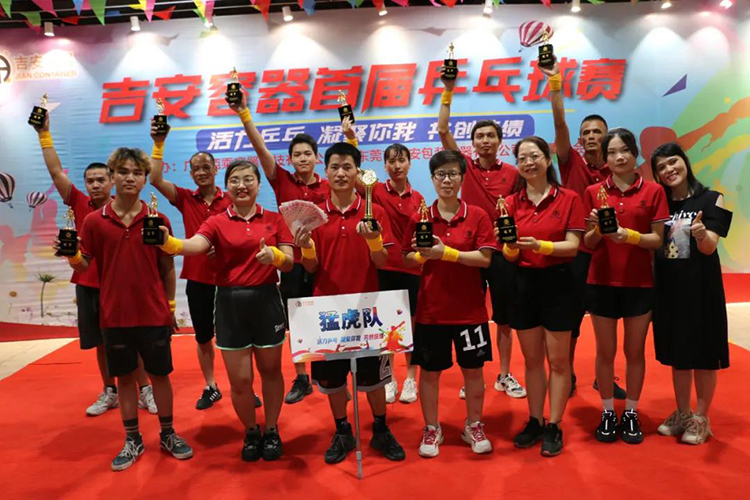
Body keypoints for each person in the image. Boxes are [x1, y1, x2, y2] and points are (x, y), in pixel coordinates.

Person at [60, 145, 192, 471]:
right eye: (123, 172)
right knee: (125, 380)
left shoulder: (158, 220)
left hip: (153, 314)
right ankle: (133, 439)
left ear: (145, 179)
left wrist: (170, 306)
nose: (130, 178)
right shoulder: (95, 221)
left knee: (160, 377)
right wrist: (72, 255)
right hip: (114, 315)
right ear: (113, 177)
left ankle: (168, 433)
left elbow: (167, 267)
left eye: (137, 173)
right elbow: (84, 264)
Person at [157, 159, 293, 460]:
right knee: (240, 380)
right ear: (227, 185)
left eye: (248, 179)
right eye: (235, 180)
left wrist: (275, 257)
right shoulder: (217, 221)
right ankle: (251, 431)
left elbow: (290, 261)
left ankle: (271, 429)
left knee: (271, 372)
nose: (242, 185)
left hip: (267, 302)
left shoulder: (274, 219)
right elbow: (196, 245)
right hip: (230, 304)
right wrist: (169, 243)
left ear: (258, 184)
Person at [32, 114, 157, 416]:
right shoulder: (78, 202)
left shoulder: (127, 206)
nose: (96, 185)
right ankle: (109, 390)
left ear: (112, 180)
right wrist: (44, 134)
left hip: (123, 286)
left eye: (101, 179)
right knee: (102, 343)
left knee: (136, 340)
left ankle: (145, 389)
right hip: (89, 285)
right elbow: (55, 171)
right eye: (90, 181)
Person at [295, 142, 405, 464]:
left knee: (374, 378)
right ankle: (342, 430)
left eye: (348, 167)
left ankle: (381, 429)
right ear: (325, 171)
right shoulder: (313, 215)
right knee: (332, 381)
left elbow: (383, 261)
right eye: (335, 167)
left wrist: (373, 239)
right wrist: (306, 248)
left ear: (358, 172)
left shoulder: (375, 211)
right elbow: (311, 268)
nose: (341, 173)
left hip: (369, 310)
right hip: (326, 312)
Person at [437, 67, 526, 400]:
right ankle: (471, 375)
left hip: (501, 253)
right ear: (472, 143)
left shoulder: (514, 173)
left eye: (491, 136)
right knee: (469, 316)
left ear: (500, 142)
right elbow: (443, 129)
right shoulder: (464, 168)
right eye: (480, 136)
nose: (485, 141)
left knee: (504, 318)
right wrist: (448, 90)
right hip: (469, 252)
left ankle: (504, 374)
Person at [541, 60, 626, 400]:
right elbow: (559, 123)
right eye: (586, 132)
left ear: (608, 138)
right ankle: (569, 372)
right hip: (576, 255)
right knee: (571, 319)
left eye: (597, 132)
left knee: (608, 320)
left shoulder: (619, 170)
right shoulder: (570, 161)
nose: (591, 136)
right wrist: (555, 83)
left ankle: (605, 376)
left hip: (610, 254)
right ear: (579, 139)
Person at [403, 150, 496, 458]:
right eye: (440, 174)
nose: (446, 180)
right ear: (432, 179)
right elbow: (406, 257)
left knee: (473, 371)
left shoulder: (478, 215)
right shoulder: (420, 217)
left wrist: (447, 254)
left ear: (462, 178)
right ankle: (432, 428)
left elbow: (485, 258)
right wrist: (419, 256)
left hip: (470, 311)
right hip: (431, 312)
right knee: (430, 373)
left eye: (453, 174)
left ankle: (474, 424)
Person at [231, 90, 320, 405]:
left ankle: (328, 373)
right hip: (293, 263)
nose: (302, 158)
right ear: (290, 160)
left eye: (307, 153)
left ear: (317, 158)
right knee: (296, 320)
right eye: (297, 154)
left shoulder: (328, 186)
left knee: (324, 316)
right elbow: (260, 148)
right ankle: (302, 377)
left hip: (322, 263)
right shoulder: (282, 180)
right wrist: (244, 114)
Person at [582, 128, 669, 444]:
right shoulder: (593, 192)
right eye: (612, 152)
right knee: (605, 352)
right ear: (605, 158)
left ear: (635, 154)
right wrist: (598, 231)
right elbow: (588, 243)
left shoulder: (654, 191)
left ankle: (631, 411)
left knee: (634, 352)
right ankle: (607, 411)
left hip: (639, 282)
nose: (619, 157)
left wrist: (627, 236)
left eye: (625, 151)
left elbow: (658, 240)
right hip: (601, 280)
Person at [501, 137, 584, 457]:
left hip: (559, 283)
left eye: (535, 156)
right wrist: (510, 247)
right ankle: (535, 420)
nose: (529, 162)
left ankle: (554, 424)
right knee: (533, 360)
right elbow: (508, 254)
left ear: (548, 160)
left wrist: (540, 246)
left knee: (559, 362)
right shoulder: (510, 203)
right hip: (523, 283)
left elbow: (573, 246)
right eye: (522, 158)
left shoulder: (569, 198)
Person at [651, 142, 732, 445]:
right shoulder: (659, 205)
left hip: (702, 289)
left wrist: (700, 234)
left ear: (685, 161)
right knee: (679, 355)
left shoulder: (712, 199)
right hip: (669, 289)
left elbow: (710, 247)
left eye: (673, 162)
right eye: (661, 167)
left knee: (705, 355)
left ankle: (701, 417)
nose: (669, 170)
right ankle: (683, 413)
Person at [149, 122, 233, 411]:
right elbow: (155, 178)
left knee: (235, 338)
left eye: (206, 167)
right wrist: (159, 142)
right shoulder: (186, 198)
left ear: (215, 169)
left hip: (230, 279)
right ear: (191, 173)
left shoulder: (231, 199)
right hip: (198, 279)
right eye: (196, 169)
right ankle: (211, 385)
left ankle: (241, 385)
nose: (201, 172)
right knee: (204, 337)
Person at [343, 123, 423, 404]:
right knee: (387, 327)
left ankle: (411, 378)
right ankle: (389, 377)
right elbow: (355, 177)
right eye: (391, 161)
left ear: (410, 163)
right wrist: (351, 139)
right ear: (385, 165)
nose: (396, 165)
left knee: (410, 327)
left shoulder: (419, 199)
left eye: (401, 160)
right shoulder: (374, 190)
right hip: (384, 267)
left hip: (411, 268)